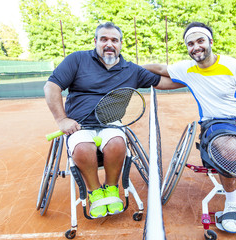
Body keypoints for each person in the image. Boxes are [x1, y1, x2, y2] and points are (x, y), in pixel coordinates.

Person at [142, 21, 236, 233]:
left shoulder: (234, 66)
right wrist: (126, 67)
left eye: (200, 41)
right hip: (215, 122)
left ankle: (231, 177)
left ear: (210, 42)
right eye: (190, 43)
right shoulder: (187, 69)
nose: (196, 47)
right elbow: (159, 69)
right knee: (231, 151)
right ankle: (232, 202)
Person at [44, 22, 181, 218]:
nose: (109, 44)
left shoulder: (131, 70)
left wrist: (191, 77)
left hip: (111, 123)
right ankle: (95, 192)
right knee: (83, 148)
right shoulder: (77, 60)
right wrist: (62, 120)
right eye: (104, 39)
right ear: (95, 42)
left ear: (120, 44)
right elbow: (51, 87)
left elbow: (165, 82)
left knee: (117, 144)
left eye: (114, 40)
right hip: (79, 124)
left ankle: (111, 188)